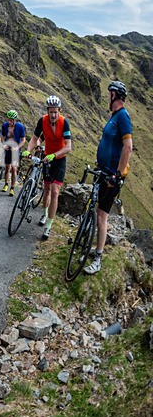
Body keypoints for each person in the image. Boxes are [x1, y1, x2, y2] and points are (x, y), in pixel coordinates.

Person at [84, 81, 133, 274]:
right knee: (96, 212)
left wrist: (118, 174)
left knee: (102, 216)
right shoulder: (114, 116)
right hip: (103, 171)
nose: (108, 96)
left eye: (110, 93)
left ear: (115, 95)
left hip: (111, 176)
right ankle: (91, 247)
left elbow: (128, 148)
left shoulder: (123, 117)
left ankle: (98, 258)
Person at [23, 95, 72, 240]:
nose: (53, 114)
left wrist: (55, 155)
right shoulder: (42, 121)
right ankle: (44, 214)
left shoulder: (65, 123)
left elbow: (68, 147)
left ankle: (49, 226)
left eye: (56, 112)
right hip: (46, 158)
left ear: (59, 111)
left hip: (59, 159)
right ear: (48, 110)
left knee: (55, 192)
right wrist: (28, 149)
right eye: (51, 111)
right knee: (46, 188)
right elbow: (34, 138)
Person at [0, 110, 27, 196]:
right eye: (8, 119)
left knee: (14, 169)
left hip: (15, 149)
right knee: (7, 168)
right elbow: (2, 136)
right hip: (8, 148)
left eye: (11, 120)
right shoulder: (5, 125)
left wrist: (17, 147)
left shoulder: (20, 127)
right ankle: (6, 184)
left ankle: (12, 188)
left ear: (15, 120)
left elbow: (23, 140)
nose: (9, 122)